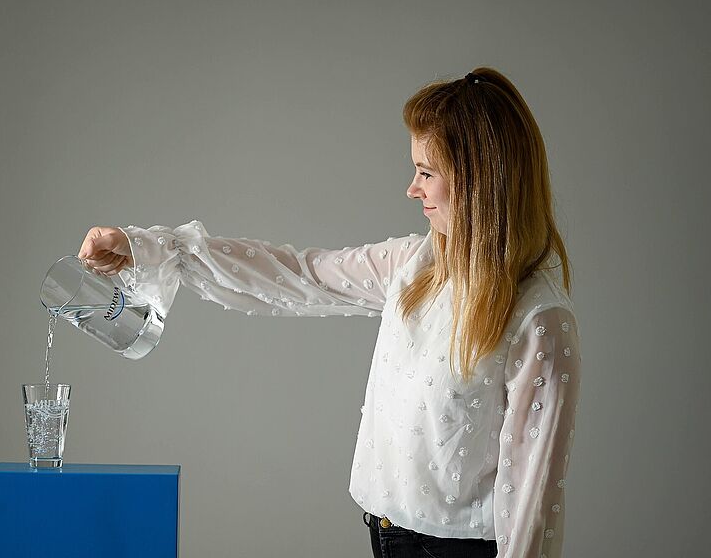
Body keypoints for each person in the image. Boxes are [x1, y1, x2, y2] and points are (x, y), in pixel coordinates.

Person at [77, 66, 581, 558]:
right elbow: (301, 275)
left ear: (479, 182)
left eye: (426, 173)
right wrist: (149, 248)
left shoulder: (539, 320)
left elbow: (532, 502)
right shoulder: (413, 265)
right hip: (383, 530)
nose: (412, 188)